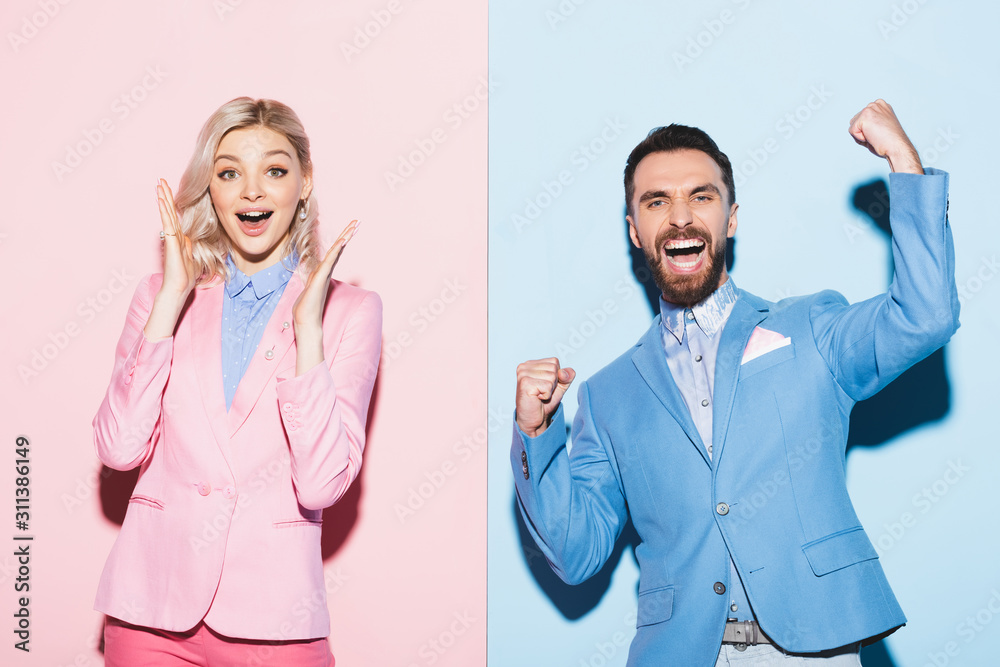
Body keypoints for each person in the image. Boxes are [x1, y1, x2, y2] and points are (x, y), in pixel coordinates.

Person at [511, 100, 959, 666]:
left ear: (732, 218)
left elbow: (925, 316)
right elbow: (575, 555)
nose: (680, 217)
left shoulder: (810, 326)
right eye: (657, 201)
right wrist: (536, 433)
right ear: (634, 229)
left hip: (817, 648)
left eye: (701, 196)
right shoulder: (607, 395)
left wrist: (903, 163)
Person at [93, 97, 382, 666]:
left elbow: (324, 485)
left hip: (277, 622)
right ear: (212, 190)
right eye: (230, 173)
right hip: (149, 613)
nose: (252, 191)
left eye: (274, 170)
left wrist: (308, 333)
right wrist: (173, 296)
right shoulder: (158, 298)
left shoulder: (351, 311)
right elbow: (119, 449)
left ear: (305, 183)